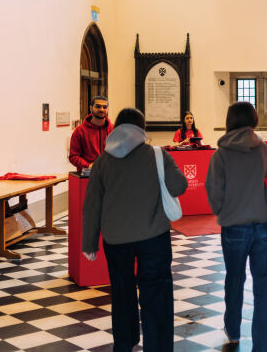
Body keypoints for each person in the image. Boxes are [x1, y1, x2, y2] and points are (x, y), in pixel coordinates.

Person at [82, 107, 187, 352]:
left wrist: (89, 243)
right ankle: (158, 346)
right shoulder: (157, 155)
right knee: (156, 292)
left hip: (116, 240)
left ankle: (125, 342)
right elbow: (180, 186)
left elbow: (92, 206)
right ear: (142, 129)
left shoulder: (101, 162)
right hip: (154, 237)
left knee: (121, 292)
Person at [206, 102, 267, 351]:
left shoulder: (220, 154)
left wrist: (226, 210)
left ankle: (233, 331)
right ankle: (263, 346)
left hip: (233, 228)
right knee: (264, 290)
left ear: (229, 120)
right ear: (254, 119)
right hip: (265, 228)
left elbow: (213, 194)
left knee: (234, 279)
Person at [69, 95, 113, 171]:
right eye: (98, 106)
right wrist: (88, 166)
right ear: (91, 108)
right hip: (88, 175)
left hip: (110, 175)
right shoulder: (79, 131)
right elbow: (73, 156)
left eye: (104, 107)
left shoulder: (114, 129)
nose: (101, 109)